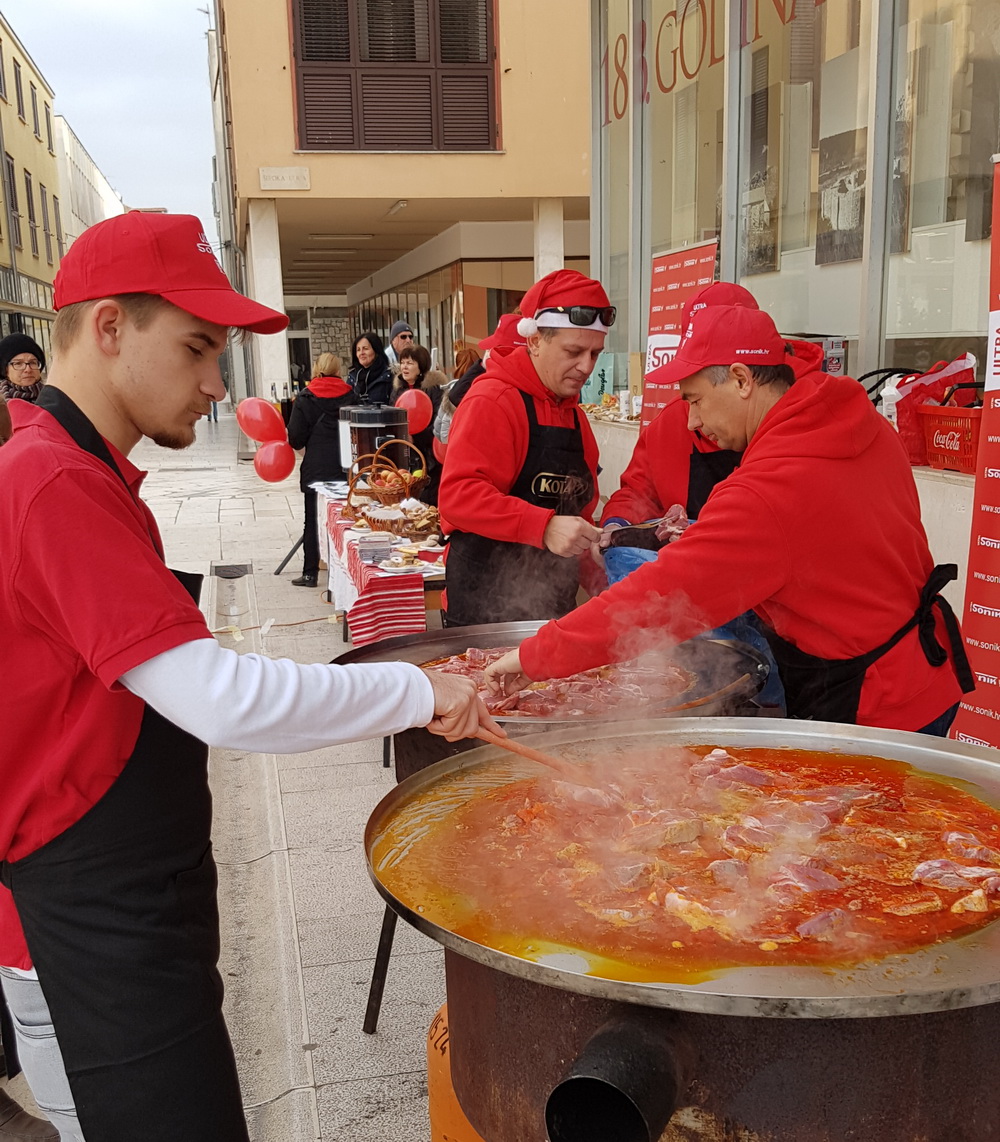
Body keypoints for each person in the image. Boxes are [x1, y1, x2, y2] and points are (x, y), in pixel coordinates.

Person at [0, 210, 500, 1142]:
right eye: (195, 349)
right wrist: (421, 689)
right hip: (86, 917)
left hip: (129, 886)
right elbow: (222, 697)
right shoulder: (49, 480)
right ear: (109, 328)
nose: (213, 385)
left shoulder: (78, 466)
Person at [485, 301, 974, 734]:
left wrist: (535, 657)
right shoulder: (857, 419)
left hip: (875, 700)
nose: (692, 422)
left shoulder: (771, 488)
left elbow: (658, 596)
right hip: (924, 672)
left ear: (741, 379)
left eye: (694, 400)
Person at [438, 270, 610, 627]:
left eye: (595, 353)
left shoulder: (577, 419)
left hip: (552, 607)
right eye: (574, 351)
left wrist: (603, 582)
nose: (586, 367)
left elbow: (583, 513)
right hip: (482, 607)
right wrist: (544, 527)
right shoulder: (493, 400)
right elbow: (458, 495)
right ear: (534, 341)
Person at [287, 352, 357, 587]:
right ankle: (346, 572)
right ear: (338, 370)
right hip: (345, 469)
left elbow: (295, 437)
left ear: (317, 368)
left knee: (312, 521)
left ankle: (310, 573)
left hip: (316, 468)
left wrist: (308, 451)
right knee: (346, 520)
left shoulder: (305, 398)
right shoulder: (351, 395)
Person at [393, 344, 445, 504]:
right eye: (402, 362)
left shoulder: (433, 389)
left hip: (429, 457)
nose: (404, 367)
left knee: (426, 503)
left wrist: (416, 438)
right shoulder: (397, 390)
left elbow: (439, 423)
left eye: (410, 363)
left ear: (420, 366)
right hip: (404, 456)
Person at [347, 331, 393, 405]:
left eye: (365, 348)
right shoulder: (352, 377)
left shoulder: (389, 376)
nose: (361, 353)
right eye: (358, 350)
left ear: (376, 350)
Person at [0, 335, 46, 404]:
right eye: (18, 363)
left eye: (32, 362)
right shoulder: (2, 403)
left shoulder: (55, 398)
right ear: (5, 370)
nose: (28, 369)